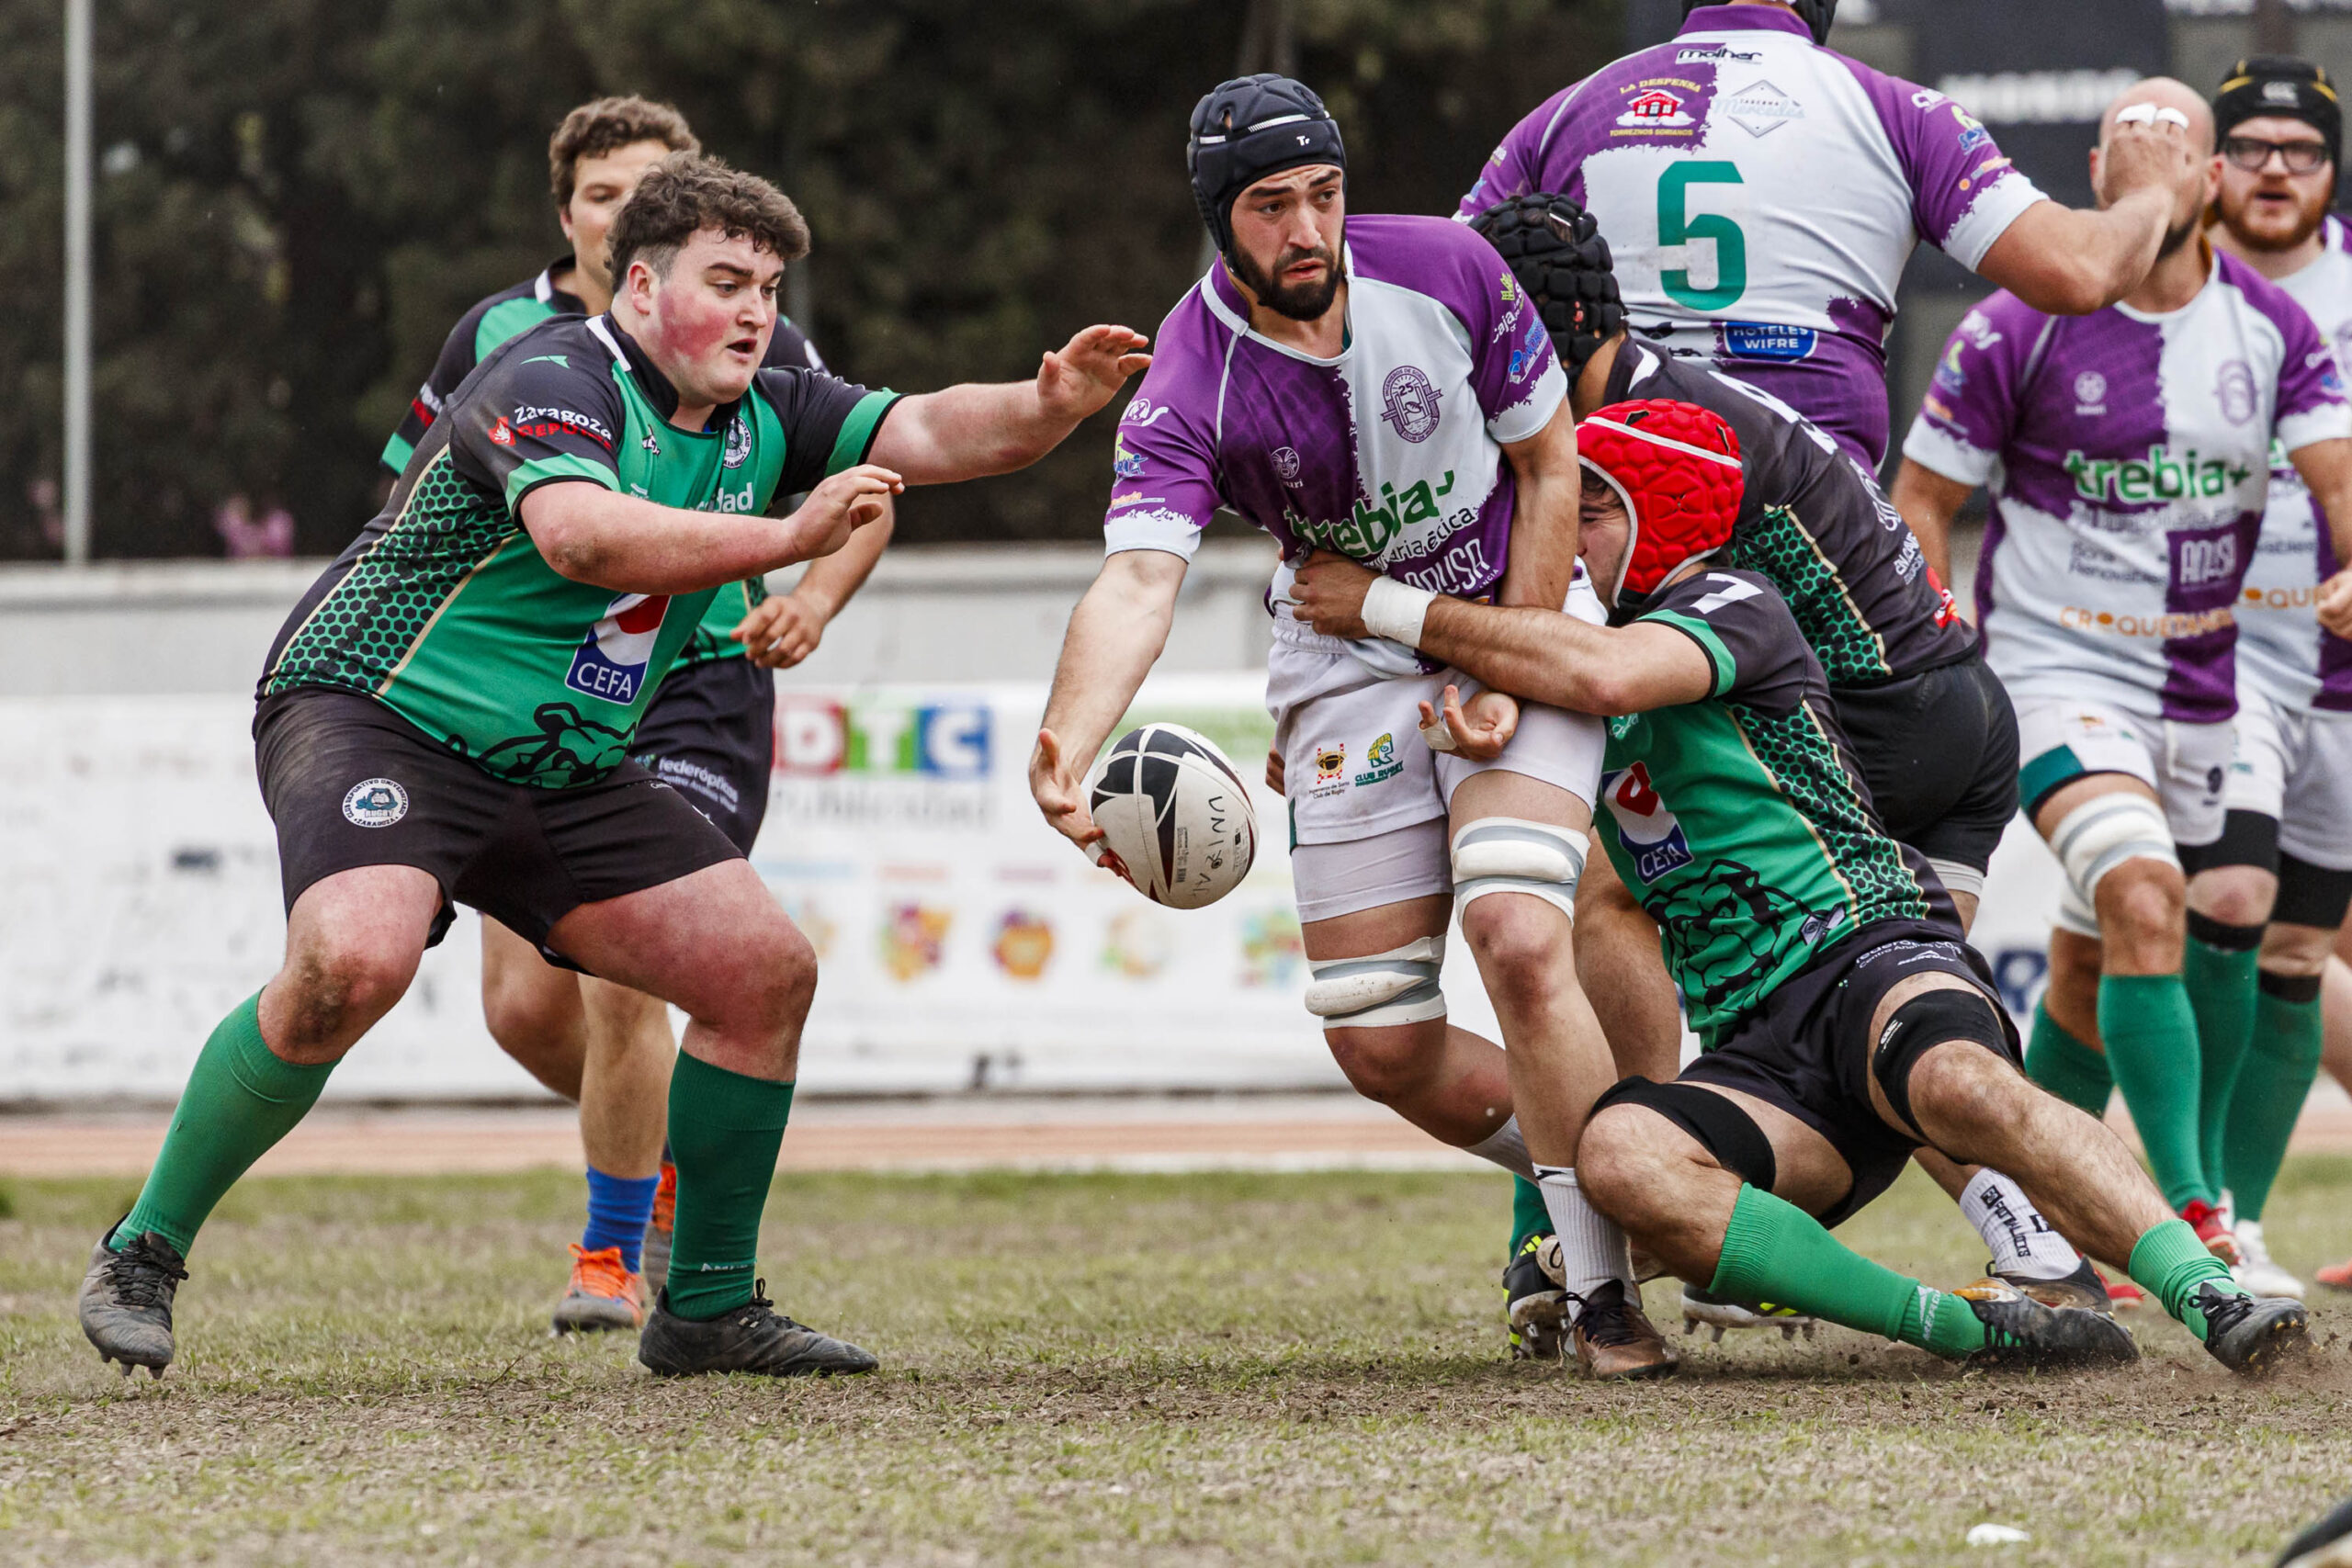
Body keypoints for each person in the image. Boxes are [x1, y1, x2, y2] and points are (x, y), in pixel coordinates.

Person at [77, 153, 1150, 1381]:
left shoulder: (769, 406)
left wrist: (1049, 403)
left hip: (562, 763)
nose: (755, 312)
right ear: (640, 285)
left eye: (769, 288)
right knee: (352, 964)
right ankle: (143, 1248)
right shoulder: (552, 375)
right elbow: (581, 537)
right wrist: (785, 535)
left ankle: (704, 1305)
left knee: (761, 975)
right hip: (379, 712)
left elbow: (933, 429)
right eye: (726, 282)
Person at [1292, 396, 2312, 1377]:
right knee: (1622, 1159)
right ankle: (1964, 1330)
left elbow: (1605, 674)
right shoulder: (1566, 669)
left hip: (1866, 948)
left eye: (1591, 511)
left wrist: (1386, 604)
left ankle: (2210, 1295)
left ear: (1660, 514)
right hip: (1758, 1051)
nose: (1564, 535)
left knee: (1959, 1082)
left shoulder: (1730, 601)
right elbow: (1525, 704)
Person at [1026, 75, 1674, 1378]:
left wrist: (1511, 660)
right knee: (1379, 1038)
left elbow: (1548, 461)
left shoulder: (1452, 268)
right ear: (1220, 217)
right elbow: (1141, 576)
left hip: (1516, 607)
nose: (1308, 229)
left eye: (1323, 194)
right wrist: (1069, 742)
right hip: (1342, 657)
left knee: (1517, 931)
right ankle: (1641, 1178)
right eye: (1271, 206)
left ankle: (1605, 1286)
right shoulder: (1188, 378)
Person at [1463, 195, 2107, 1342]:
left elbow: (1595, 648)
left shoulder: (1623, 443)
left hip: (1883, 719)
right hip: (1953, 711)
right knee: (1890, 1030)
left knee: (1621, 898)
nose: (1471, 370)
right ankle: (2037, 1248)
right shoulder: (1659, 394)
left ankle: (1607, 1223)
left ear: (1541, 327)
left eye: (1481, 335)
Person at [379, 95, 896, 1331]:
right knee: (522, 1011)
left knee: (630, 982)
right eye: (602, 195)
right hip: (528, 685)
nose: (622, 215)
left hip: (695, 681)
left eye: (647, 191)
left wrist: (813, 598)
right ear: (568, 214)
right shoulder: (501, 336)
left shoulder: (750, 328)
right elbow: (406, 495)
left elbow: (865, 482)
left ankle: (612, 1256)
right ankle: (670, 1148)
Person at [1891, 80, 2352, 1265]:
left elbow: (2338, 480)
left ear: (2205, 180)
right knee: (2148, 897)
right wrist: (1934, 648)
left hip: (2208, 683)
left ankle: (2048, 1227)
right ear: (2096, 173)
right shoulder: (2015, 326)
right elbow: (1923, 497)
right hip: (2057, 669)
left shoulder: (2272, 327)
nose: (2148, 164)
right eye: (2127, 147)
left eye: (2172, 147)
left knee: (2195, 920)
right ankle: (2195, 1217)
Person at [1454, 0, 2199, 471]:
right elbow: (2079, 270)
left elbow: (1442, 301)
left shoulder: (1566, 113)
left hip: (1622, 507)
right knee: (1951, 686)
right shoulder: (1897, 111)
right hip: (1812, 521)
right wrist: (2152, 190)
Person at [2187, 58, 2352, 1300]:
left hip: (2338, 665)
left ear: (2331, 168)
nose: (2277, 168)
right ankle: (2188, 1203)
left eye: (2302, 148)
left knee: (2297, 944)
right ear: (2214, 166)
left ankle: (2234, 1219)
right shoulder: (2171, 281)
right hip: (2204, 652)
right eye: (2251, 146)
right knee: (2226, 900)